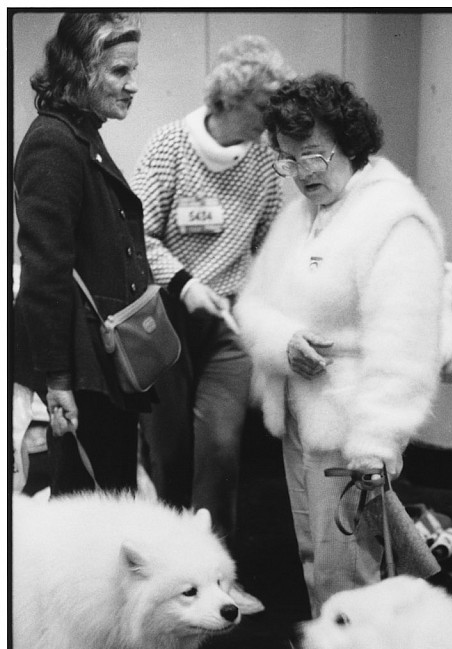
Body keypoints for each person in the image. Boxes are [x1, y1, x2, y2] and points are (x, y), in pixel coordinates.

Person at [234, 73, 445, 649]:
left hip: (352, 425)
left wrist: (378, 440)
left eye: (314, 156)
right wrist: (282, 342)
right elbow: (254, 300)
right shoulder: (304, 212)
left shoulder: (394, 219)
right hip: (303, 412)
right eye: (287, 160)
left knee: (345, 575)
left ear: (349, 143)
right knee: (317, 567)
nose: (300, 175)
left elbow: (405, 343)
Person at [131, 36, 293, 615]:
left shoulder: (263, 164)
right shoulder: (170, 147)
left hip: (226, 323)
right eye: (263, 111)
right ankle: (169, 583)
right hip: (165, 320)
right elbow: (138, 236)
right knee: (169, 454)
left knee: (220, 449)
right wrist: (184, 282)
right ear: (230, 100)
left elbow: (273, 242)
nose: (270, 125)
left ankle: (220, 580)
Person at [14, 12, 152, 495]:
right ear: (79, 71)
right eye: (119, 71)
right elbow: (44, 275)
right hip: (82, 371)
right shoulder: (53, 142)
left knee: (106, 504)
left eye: (133, 70)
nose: (133, 84)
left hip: (99, 364)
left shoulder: (81, 133)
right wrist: (57, 382)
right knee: (91, 516)